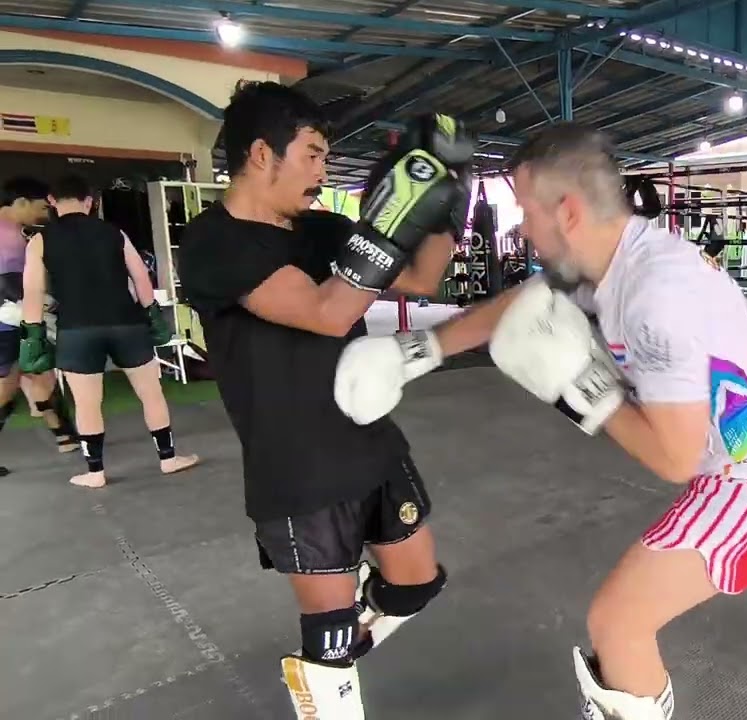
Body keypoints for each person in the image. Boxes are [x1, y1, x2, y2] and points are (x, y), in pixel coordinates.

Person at [333, 123, 747, 719]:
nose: (520, 230)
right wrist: (417, 353)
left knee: (618, 622)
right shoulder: (621, 254)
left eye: (526, 212)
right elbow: (526, 301)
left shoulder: (654, 301)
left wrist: (583, 387)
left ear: (568, 211)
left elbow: (674, 459)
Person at [176, 80, 473, 719]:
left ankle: (339, 632)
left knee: (420, 584)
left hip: (368, 439)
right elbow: (325, 312)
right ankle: (326, 667)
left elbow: (421, 278)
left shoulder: (322, 230)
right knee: (332, 647)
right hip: (298, 469)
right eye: (312, 154)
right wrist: (388, 219)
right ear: (261, 154)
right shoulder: (214, 241)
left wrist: (447, 202)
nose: (322, 171)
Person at [19, 174, 200, 488]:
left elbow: (32, 291)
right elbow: (141, 277)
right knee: (151, 394)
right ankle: (169, 458)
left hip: (76, 330)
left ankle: (95, 472)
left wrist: (32, 335)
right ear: (89, 201)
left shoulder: (40, 240)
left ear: (52, 202)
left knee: (87, 403)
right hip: (126, 323)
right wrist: (153, 315)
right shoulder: (114, 233)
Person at [0, 176, 76, 475]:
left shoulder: (16, 232)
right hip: (6, 322)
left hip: (20, 317)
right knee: (7, 386)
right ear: (20, 203)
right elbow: (7, 285)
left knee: (41, 374)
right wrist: (50, 304)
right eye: (42, 208)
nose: (45, 214)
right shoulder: (6, 236)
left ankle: (66, 437)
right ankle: (66, 436)